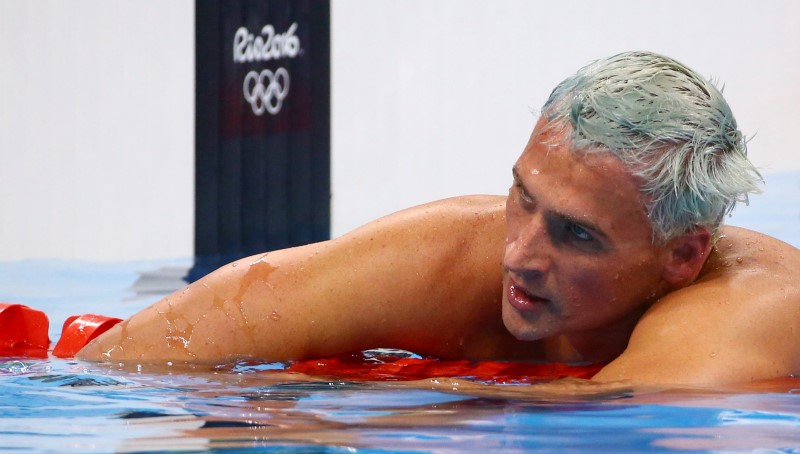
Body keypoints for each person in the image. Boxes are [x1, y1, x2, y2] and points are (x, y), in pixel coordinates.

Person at [78, 51, 800, 388]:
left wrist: (360, 397)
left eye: (575, 234)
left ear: (680, 256)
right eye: (523, 197)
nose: (519, 254)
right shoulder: (453, 254)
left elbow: (614, 424)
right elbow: (130, 359)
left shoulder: (743, 314)